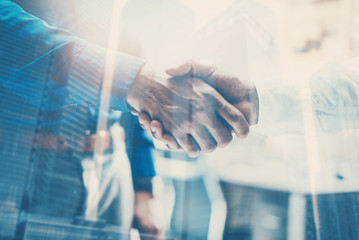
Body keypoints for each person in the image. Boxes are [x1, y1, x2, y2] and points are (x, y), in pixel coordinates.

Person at [0, 1, 256, 159]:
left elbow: (118, 41)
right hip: (20, 161)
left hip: (108, 165)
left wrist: (143, 181)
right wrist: (140, 83)